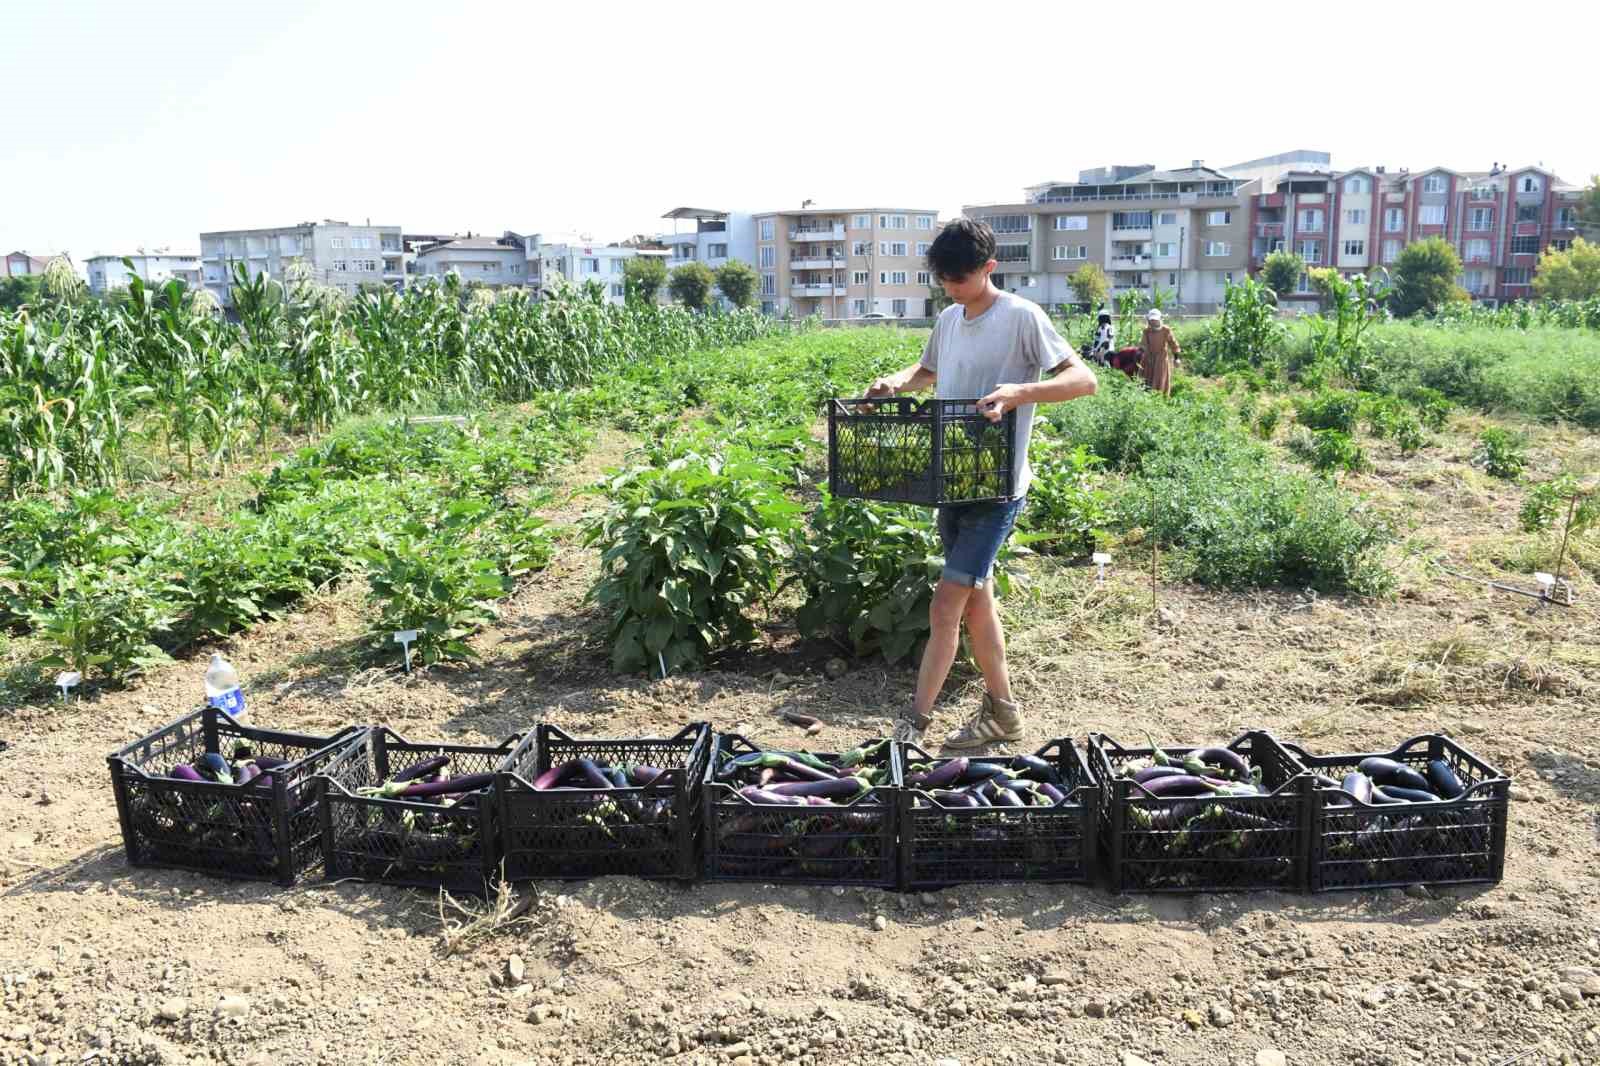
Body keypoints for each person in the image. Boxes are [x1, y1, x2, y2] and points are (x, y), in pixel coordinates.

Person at [864, 219, 1098, 749]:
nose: (951, 288)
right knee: (977, 604)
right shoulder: (949, 319)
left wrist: (1019, 391)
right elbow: (926, 371)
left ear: (989, 268)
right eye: (943, 280)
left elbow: (1083, 380)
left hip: (996, 490)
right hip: (952, 483)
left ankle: (914, 726)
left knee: (946, 605)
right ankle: (1004, 714)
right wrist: (897, 382)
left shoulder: (1022, 317)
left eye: (960, 279)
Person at [1139, 308, 1181, 397]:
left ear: (1159, 319)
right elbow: (1143, 345)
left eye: (1155, 320)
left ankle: (1161, 400)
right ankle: (1148, 399)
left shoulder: (1166, 330)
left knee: (1161, 380)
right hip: (1149, 359)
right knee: (1147, 381)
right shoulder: (1146, 331)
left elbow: (1173, 344)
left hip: (1161, 359)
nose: (1154, 322)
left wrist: (1176, 358)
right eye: (1152, 320)